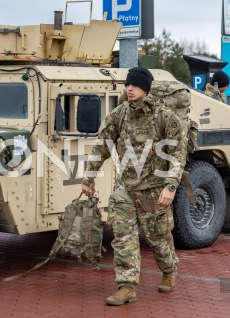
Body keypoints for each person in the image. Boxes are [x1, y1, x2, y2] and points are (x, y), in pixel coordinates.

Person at [81, 67, 187, 306]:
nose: (129, 88)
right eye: (128, 85)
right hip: (125, 189)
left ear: (145, 88)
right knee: (123, 236)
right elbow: (101, 147)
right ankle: (126, 286)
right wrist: (88, 180)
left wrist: (170, 187)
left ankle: (169, 270)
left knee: (158, 238)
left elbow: (178, 155)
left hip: (154, 190)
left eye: (135, 85)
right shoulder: (119, 114)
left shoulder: (164, 117)